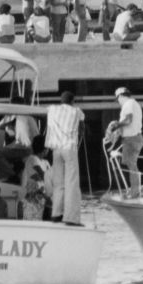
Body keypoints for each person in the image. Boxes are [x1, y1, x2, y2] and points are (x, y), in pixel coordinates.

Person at [46, 91, 85, 224]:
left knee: (58, 183)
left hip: (56, 149)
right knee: (72, 183)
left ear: (61, 100)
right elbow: (82, 127)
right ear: (73, 101)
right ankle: (71, 218)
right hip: (69, 148)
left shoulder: (52, 109)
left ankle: (56, 214)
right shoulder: (76, 111)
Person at [109, 87, 143, 198]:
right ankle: (134, 191)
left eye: (118, 99)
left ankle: (134, 193)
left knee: (131, 165)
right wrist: (115, 136)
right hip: (133, 138)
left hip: (132, 139)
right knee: (130, 164)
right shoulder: (134, 104)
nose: (118, 102)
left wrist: (116, 125)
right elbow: (127, 124)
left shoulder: (128, 104)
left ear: (121, 96)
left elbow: (128, 120)